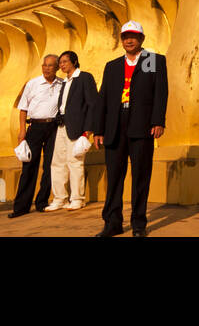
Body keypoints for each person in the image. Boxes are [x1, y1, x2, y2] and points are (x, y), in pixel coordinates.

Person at [91, 20, 168, 237]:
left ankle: (138, 224)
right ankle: (112, 223)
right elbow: (103, 98)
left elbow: (160, 93)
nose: (129, 40)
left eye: (133, 36)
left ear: (141, 39)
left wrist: (158, 121)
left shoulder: (151, 60)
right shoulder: (112, 66)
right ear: (121, 40)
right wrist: (98, 130)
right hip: (114, 126)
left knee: (140, 176)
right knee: (114, 177)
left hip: (141, 125)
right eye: (125, 36)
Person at [10, 54, 62, 217]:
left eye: (50, 66)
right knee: (29, 166)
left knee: (50, 165)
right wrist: (22, 131)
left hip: (54, 127)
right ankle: (21, 207)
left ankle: (42, 202)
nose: (46, 68)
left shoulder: (62, 84)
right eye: (44, 65)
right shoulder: (33, 84)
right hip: (35, 126)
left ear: (57, 68)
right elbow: (23, 108)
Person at [47, 50, 98, 212]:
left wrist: (88, 130)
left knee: (75, 162)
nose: (62, 65)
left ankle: (77, 198)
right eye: (60, 62)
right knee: (57, 163)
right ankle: (59, 198)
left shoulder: (84, 77)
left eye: (65, 62)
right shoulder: (64, 82)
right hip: (61, 126)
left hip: (77, 127)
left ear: (74, 62)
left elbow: (92, 104)